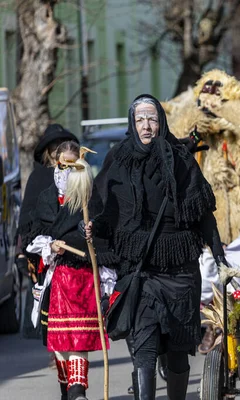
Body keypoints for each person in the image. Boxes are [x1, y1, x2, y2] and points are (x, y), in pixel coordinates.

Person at [86, 94, 226, 399]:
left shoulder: (181, 159)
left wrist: (220, 256)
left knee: (177, 354)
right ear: (131, 123)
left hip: (180, 273)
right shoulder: (118, 159)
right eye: (140, 120)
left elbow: (202, 213)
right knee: (144, 350)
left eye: (152, 119)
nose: (146, 126)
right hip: (140, 272)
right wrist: (93, 228)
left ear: (160, 122)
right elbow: (104, 209)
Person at [24, 141, 115, 400]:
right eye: (63, 164)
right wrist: (50, 245)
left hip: (84, 278)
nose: (67, 170)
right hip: (56, 278)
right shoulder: (46, 198)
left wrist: (90, 231)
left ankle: (77, 391)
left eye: (73, 165)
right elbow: (33, 236)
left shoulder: (89, 196)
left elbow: (104, 234)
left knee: (79, 339)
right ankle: (68, 390)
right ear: (56, 163)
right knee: (61, 344)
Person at [17, 124, 79, 340]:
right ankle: (56, 348)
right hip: (45, 251)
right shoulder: (39, 177)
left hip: (73, 249)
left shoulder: (77, 175)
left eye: (59, 145)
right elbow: (26, 216)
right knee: (48, 304)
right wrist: (23, 251)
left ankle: (68, 344)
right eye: (53, 145)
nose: (56, 149)